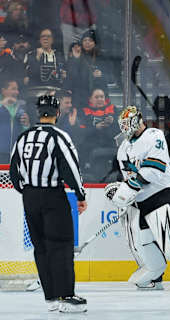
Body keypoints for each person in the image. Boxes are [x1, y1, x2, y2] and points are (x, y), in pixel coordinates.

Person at [104, 105, 170, 289]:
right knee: (144, 241)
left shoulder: (154, 136)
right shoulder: (123, 149)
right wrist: (122, 194)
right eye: (122, 125)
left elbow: (154, 169)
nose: (124, 129)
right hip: (143, 200)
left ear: (136, 121)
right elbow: (128, 178)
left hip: (163, 193)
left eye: (127, 124)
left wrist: (131, 186)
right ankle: (155, 275)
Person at [9, 95, 88, 313]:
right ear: (57, 113)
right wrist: (80, 195)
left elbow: (13, 173)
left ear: (38, 112)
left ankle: (51, 297)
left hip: (30, 198)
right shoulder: (59, 137)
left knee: (41, 247)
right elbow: (70, 168)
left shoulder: (23, 138)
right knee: (60, 245)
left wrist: (28, 192)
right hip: (53, 196)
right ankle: (67, 296)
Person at [0, 78, 29, 163]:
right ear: (3, 91)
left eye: (17, 89)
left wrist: (26, 125)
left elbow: (25, 132)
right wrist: (2, 104)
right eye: (13, 89)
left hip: (15, 152)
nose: (17, 92)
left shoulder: (20, 106)